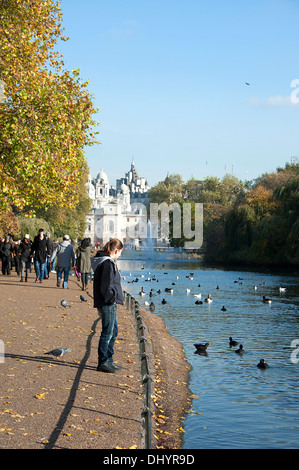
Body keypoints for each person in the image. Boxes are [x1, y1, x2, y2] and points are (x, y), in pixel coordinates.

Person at [93, 238, 124, 373]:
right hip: (107, 302)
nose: (120, 256)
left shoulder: (107, 262)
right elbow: (105, 286)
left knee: (113, 331)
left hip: (109, 302)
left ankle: (109, 359)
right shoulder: (106, 264)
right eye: (120, 253)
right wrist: (111, 298)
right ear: (116, 251)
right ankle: (103, 361)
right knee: (107, 332)